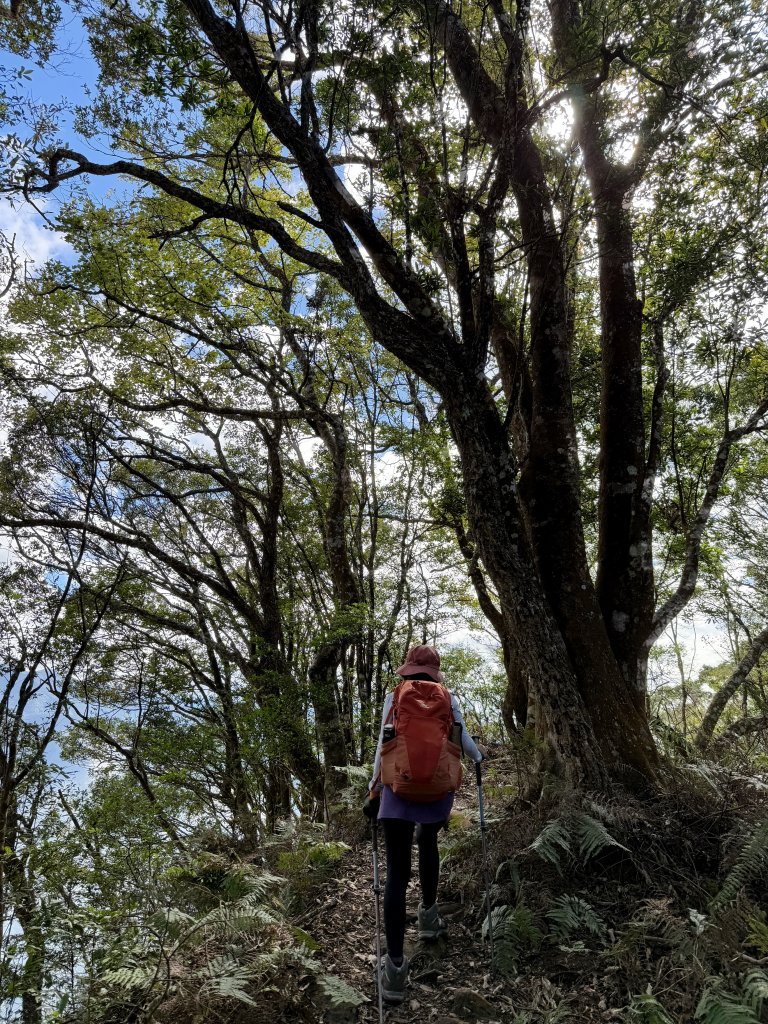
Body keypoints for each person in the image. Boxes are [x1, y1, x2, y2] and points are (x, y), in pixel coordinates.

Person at [364, 644, 483, 1005]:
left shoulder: (394, 697)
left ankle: (396, 970)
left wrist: (374, 787)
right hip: (436, 790)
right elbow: (462, 740)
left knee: (397, 873)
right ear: (435, 672)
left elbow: (382, 746)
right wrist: (478, 757)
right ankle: (429, 919)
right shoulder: (450, 698)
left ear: (408, 670)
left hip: (397, 788)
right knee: (428, 844)